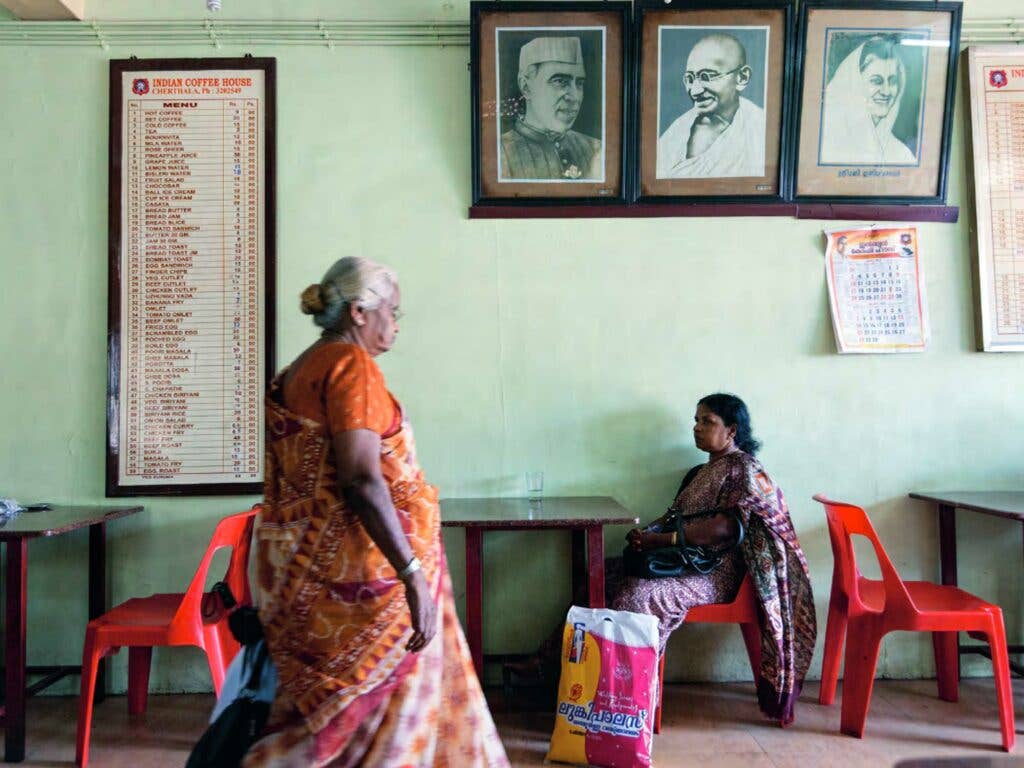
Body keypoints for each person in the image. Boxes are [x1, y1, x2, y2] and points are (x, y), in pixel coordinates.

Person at [247, 257, 509, 767]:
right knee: (379, 718)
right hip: (360, 581)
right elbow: (362, 479)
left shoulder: (297, 369)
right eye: (393, 309)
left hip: (293, 574)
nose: (396, 321)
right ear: (361, 311)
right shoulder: (351, 367)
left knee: (316, 717)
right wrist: (411, 574)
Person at [516, 394, 816, 726]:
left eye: (707, 422)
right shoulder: (703, 471)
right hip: (686, 561)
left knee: (637, 595)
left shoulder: (743, 470)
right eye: (696, 420)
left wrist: (662, 540)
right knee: (603, 575)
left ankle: (628, 706)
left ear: (731, 431)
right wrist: (646, 534)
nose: (697, 428)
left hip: (716, 573)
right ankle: (556, 671)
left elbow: (725, 527)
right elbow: (677, 517)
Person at [656, 33, 766, 179]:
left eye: (706, 76)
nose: (695, 91)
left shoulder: (760, 127)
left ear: (741, 78)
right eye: (689, 79)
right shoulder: (677, 133)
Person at [500, 36, 602, 180]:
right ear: (526, 87)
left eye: (579, 83)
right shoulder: (499, 153)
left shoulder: (597, 149)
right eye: (560, 81)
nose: (574, 97)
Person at [819, 35, 917, 165]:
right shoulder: (826, 145)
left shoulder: (902, 155)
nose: (886, 91)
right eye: (876, 81)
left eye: (892, 81)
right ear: (855, 84)